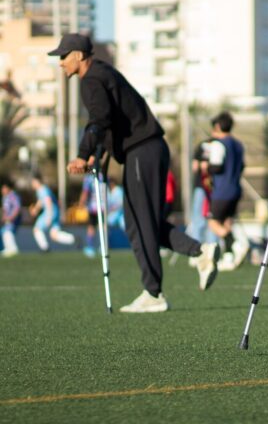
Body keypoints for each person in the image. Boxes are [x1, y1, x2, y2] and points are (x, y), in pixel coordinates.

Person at [49, 32, 220, 313]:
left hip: (144, 151)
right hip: (144, 151)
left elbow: (98, 121)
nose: (60, 63)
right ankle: (201, 252)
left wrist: (82, 154)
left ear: (78, 56)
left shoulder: (92, 79)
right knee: (139, 222)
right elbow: (110, 123)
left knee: (141, 222)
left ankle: (154, 294)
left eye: (63, 56)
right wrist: (98, 157)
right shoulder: (102, 74)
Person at [205, 111, 249, 271]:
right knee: (227, 222)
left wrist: (206, 167)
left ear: (217, 126)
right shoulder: (238, 144)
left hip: (222, 190)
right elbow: (242, 165)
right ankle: (229, 256)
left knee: (213, 222)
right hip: (236, 188)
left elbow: (216, 166)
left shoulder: (218, 144)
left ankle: (237, 244)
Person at [29, 174, 78, 252]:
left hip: (50, 212)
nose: (32, 184)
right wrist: (36, 209)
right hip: (55, 212)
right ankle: (73, 239)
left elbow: (48, 202)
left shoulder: (42, 190)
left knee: (36, 229)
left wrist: (49, 217)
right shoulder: (42, 190)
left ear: (37, 182)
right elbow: (41, 201)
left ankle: (45, 248)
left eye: (33, 182)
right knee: (54, 235)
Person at [79, 173, 100, 258]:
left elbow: (85, 192)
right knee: (102, 227)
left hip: (93, 207)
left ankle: (90, 247)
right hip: (102, 206)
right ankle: (103, 246)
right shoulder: (103, 176)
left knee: (91, 227)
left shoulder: (89, 178)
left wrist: (81, 203)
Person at [1, 180, 21, 257]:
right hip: (7, 220)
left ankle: (13, 248)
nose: (2, 190)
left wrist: (11, 218)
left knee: (7, 231)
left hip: (13, 219)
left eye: (4, 188)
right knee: (4, 232)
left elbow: (17, 208)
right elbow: (5, 209)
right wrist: (4, 218)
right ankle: (8, 248)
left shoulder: (13, 196)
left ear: (8, 188)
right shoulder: (4, 197)